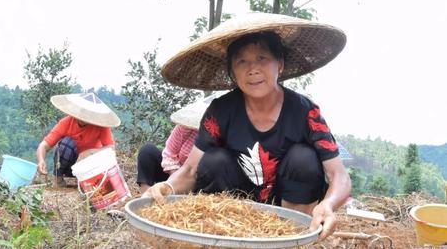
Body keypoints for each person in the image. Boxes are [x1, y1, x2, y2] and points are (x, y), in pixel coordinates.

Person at [149, 13, 351, 240]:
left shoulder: (306, 112)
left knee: (303, 158)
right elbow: (190, 170)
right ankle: (226, 240)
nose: (252, 69)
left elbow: (339, 176)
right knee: (214, 160)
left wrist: (328, 205)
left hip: (289, 211)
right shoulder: (220, 111)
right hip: (238, 213)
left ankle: (291, 239)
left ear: (280, 64)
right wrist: (167, 187)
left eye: (262, 58)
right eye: (241, 61)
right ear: (232, 72)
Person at [137, 92, 225, 193]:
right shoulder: (186, 127)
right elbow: (169, 153)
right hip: (174, 173)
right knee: (147, 151)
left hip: (199, 185)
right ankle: (147, 194)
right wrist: (174, 181)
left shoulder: (224, 137)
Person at [36, 92, 121, 186]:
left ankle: (86, 182)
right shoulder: (66, 123)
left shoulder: (101, 126)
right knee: (66, 144)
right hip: (69, 165)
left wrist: (90, 152)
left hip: (90, 166)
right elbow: (44, 145)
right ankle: (58, 180)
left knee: (100, 156)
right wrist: (41, 160)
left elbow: (111, 148)